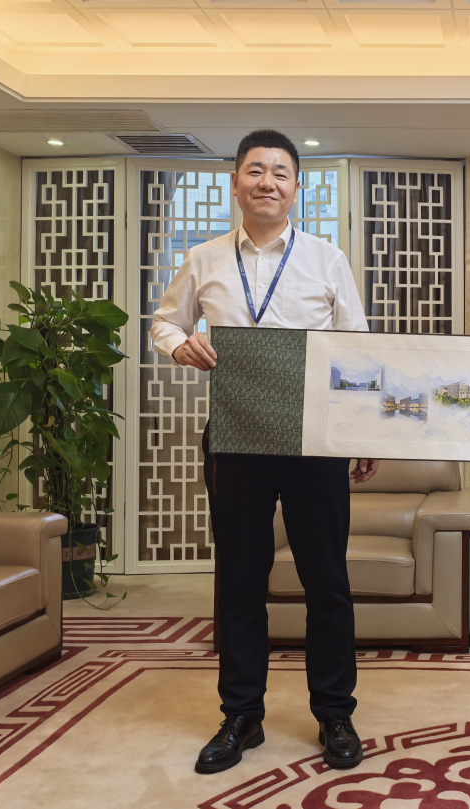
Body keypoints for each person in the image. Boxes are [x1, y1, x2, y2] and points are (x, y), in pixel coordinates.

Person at [151, 129, 378, 775]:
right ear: (235, 182)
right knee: (240, 582)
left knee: (326, 582)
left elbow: (356, 346)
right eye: (255, 170)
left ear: (296, 187)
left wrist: (361, 430)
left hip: (315, 439)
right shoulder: (203, 258)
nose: (267, 182)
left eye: (280, 172)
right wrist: (179, 344)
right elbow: (164, 321)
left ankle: (334, 712)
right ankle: (241, 715)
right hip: (235, 437)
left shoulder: (327, 258)